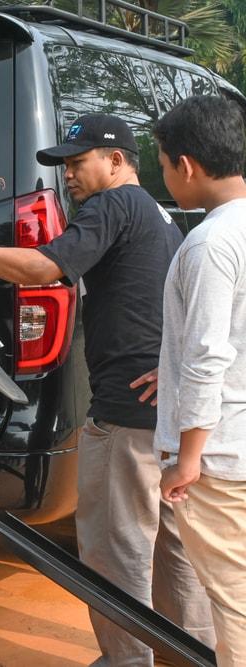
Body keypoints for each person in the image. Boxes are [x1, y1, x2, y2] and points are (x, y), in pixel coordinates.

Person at [0, 114, 214, 665]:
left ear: (115, 161)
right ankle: (195, 655)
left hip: (125, 413)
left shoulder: (112, 205)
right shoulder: (157, 214)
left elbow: (42, 269)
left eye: (77, 162)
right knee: (173, 551)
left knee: (114, 551)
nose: (68, 175)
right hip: (166, 412)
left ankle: (128, 661)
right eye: (63, 165)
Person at [152, 95, 246, 667]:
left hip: (219, 458)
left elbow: (209, 356)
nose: (165, 176)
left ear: (186, 165)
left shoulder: (211, 243)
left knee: (235, 605)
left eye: (163, 165)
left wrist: (188, 460)